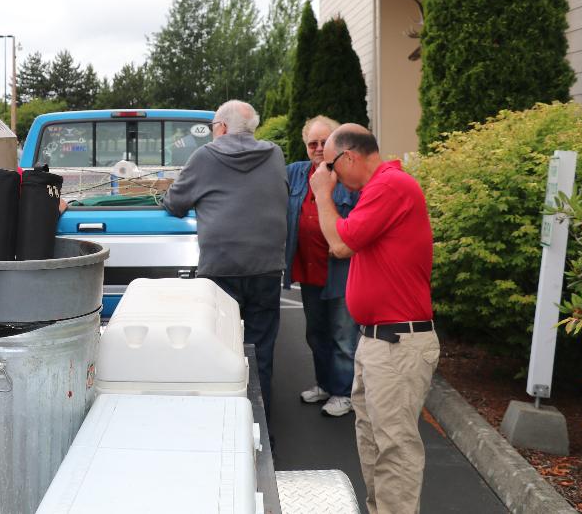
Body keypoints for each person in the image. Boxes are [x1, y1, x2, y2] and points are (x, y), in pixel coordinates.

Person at [309, 124, 438, 514]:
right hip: (379, 341)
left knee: (394, 448)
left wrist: (320, 194)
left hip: (396, 343)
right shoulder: (378, 190)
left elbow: (340, 243)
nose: (327, 174)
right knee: (372, 441)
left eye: (330, 166)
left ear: (349, 157)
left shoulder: (390, 186)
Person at [161, 100, 287, 419]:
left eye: (213, 128)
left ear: (222, 127)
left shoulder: (205, 156)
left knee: (221, 349)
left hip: (221, 268)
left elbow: (175, 203)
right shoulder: (274, 154)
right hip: (267, 268)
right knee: (261, 353)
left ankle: (223, 423)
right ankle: (261, 427)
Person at [284, 115, 359, 417]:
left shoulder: (350, 180)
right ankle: (325, 385)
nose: (317, 148)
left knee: (343, 336)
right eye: (312, 143)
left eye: (323, 143)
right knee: (316, 333)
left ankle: (344, 392)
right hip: (308, 269)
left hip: (341, 271)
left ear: (336, 144)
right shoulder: (295, 174)